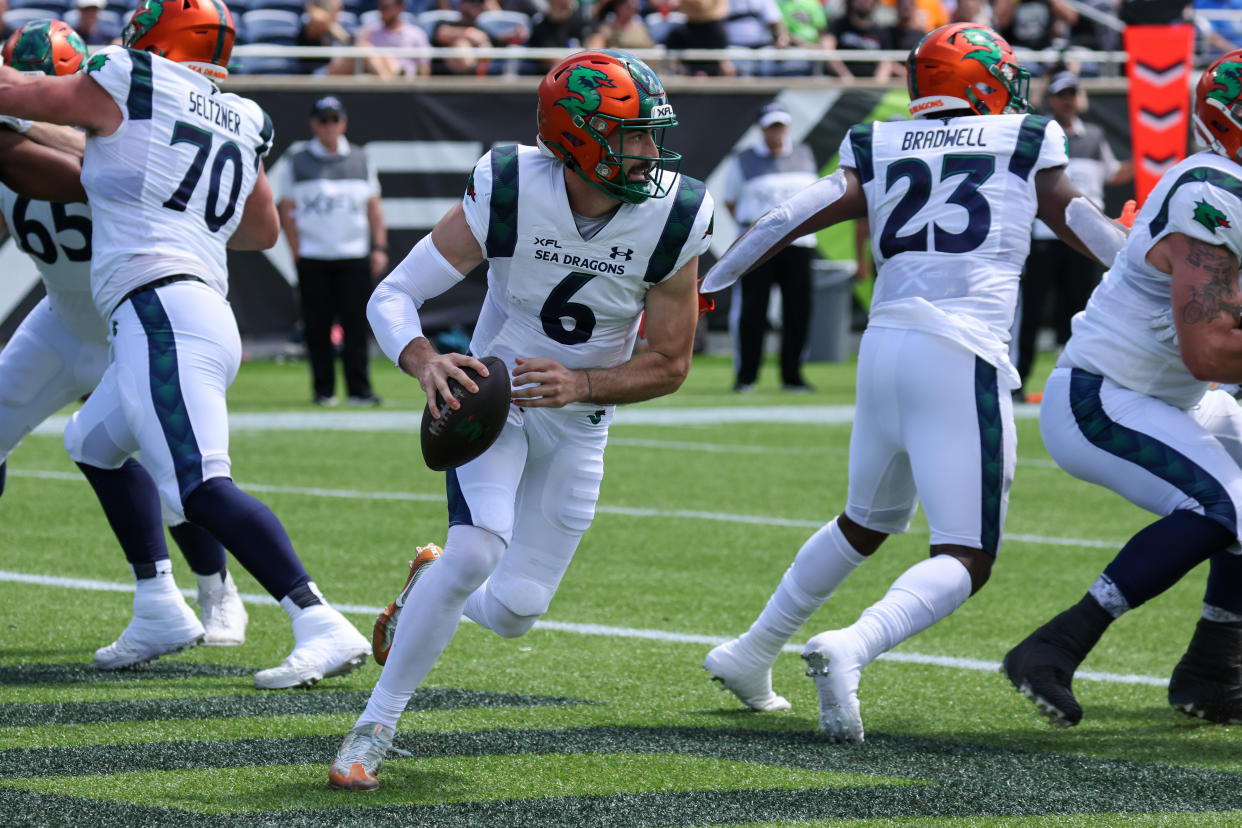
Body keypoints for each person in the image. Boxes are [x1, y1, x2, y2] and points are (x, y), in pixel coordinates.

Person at [698, 23, 1124, 741]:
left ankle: (752, 651)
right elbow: (1077, 216)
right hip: (959, 350)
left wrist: (714, 278)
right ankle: (852, 645)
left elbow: (788, 215)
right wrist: (1146, 267)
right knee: (966, 552)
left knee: (864, 521)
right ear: (983, 82)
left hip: (884, 345)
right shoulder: (1024, 137)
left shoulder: (879, 140)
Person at [328, 49, 713, 790]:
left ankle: (423, 589)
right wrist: (422, 361)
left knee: (515, 612)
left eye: (648, 133)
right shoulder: (510, 186)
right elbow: (392, 296)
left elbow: (669, 364)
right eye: (627, 135)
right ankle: (374, 725)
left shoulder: (676, 213)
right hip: (492, 399)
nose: (647, 151)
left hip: (580, 418)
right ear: (572, 138)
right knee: (475, 552)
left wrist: (582, 382)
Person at [0, 0, 370, 688]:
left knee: (199, 488)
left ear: (157, 37)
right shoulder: (240, 115)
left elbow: (20, 96)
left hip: (157, 307)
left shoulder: (130, 75)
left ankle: (317, 618)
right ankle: (159, 612)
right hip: (199, 302)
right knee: (92, 443)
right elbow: (260, 231)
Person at [1003, 50, 1242, 728]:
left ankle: (1212, 670)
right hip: (1103, 396)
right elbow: (1210, 350)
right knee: (1227, 502)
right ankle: (1053, 645)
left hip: (1171, 398)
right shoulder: (1210, 192)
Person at [0, 19, 249, 652]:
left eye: (59, 85)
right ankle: (158, 599)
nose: (54, 94)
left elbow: (79, 153)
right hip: (62, 320)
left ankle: (217, 585)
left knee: (173, 476)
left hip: (133, 324)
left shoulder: (123, 134)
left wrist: (28, 119)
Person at [1014, 69, 1132, 399]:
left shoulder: (1094, 136)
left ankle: (1077, 385)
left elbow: (1114, 173)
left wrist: (1151, 157)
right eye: (1061, 94)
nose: (1067, 101)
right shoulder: (1038, 135)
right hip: (1042, 236)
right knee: (1032, 312)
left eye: (1071, 94)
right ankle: (1017, 383)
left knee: (1082, 310)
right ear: (1050, 99)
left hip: (1086, 239)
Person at [275, 96, 387, 407]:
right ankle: (323, 391)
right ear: (313, 124)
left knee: (355, 326)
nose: (329, 126)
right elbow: (287, 210)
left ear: (343, 123)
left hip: (353, 255)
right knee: (317, 328)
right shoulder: (296, 161)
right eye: (323, 120)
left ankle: (359, 391)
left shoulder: (362, 159)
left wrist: (378, 247)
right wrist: (297, 252)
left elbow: (374, 208)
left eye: (334, 119)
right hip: (314, 257)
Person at [723, 101, 819, 392]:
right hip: (758, 244)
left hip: (799, 243)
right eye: (771, 127)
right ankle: (746, 376)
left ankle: (792, 376)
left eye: (780, 126)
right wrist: (758, 228)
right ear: (761, 129)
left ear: (787, 127)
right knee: (752, 310)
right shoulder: (744, 159)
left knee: (798, 310)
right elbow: (730, 201)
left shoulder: (804, 153)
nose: (776, 132)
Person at [353, 0, 431, 78]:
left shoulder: (416, 34)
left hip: (408, 83)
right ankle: (390, 81)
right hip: (377, 83)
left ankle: (391, 80)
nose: (381, 11)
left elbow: (424, 67)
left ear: (400, 8)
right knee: (364, 47)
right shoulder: (369, 32)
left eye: (386, 7)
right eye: (380, 6)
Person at [825, 0, 895, 81]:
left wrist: (876, 85)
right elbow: (827, 52)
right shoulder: (837, 25)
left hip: (872, 89)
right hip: (839, 87)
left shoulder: (882, 32)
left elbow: (886, 62)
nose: (866, 2)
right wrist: (848, 79)